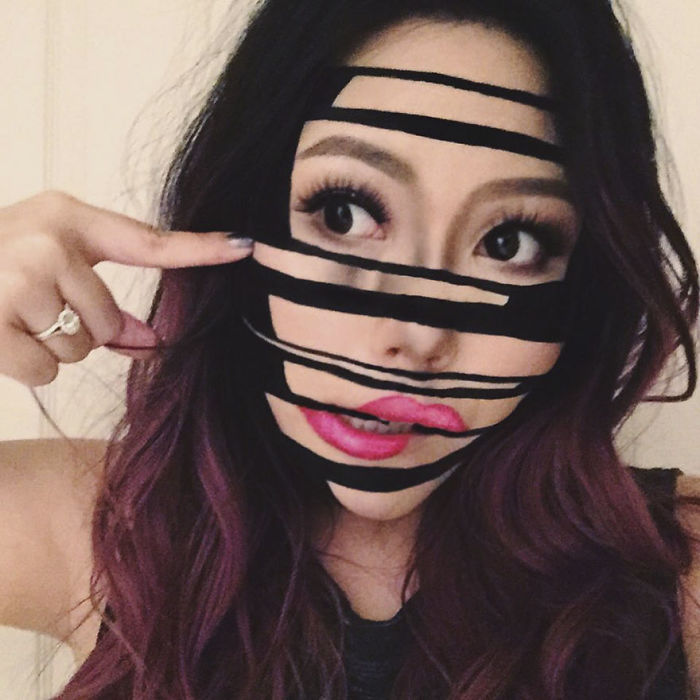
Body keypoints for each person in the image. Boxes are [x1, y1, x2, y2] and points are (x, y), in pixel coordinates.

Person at [0, 0, 698, 697]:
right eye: (345, 213)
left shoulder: (679, 572)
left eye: (509, 243)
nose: (417, 338)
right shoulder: (105, 526)